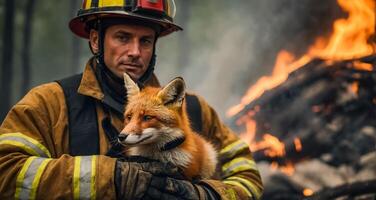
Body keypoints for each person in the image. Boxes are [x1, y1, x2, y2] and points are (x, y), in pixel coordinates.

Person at [0, 0, 263, 199]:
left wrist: (207, 195)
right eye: (123, 37)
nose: (135, 52)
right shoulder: (50, 103)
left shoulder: (193, 109)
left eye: (145, 41)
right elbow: (6, 173)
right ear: (95, 40)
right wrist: (111, 177)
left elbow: (248, 176)